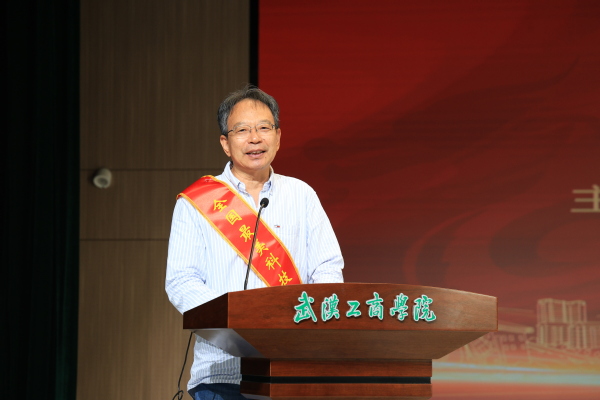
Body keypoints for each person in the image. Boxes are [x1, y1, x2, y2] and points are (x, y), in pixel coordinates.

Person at [165, 85, 344, 400]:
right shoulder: (196, 203)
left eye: (264, 128)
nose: (255, 138)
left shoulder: (301, 195)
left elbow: (327, 268)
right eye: (242, 130)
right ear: (225, 142)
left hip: (293, 370)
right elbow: (182, 281)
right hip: (222, 373)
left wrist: (308, 325)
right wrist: (238, 324)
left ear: (278, 137)